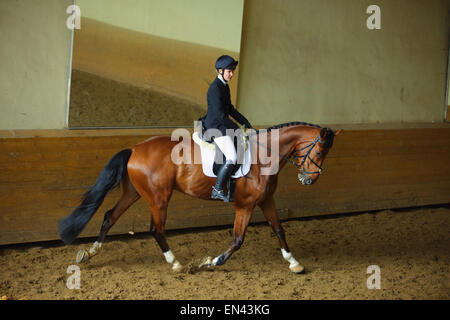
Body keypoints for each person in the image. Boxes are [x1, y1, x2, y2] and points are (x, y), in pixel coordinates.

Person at [200, 55, 253, 202]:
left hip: (222, 124)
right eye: (229, 71)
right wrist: (238, 129)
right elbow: (220, 116)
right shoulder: (215, 89)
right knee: (232, 156)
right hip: (215, 126)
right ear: (220, 70)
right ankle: (217, 189)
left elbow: (230, 109)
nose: (231, 74)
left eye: (232, 71)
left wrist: (247, 124)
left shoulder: (224, 86)